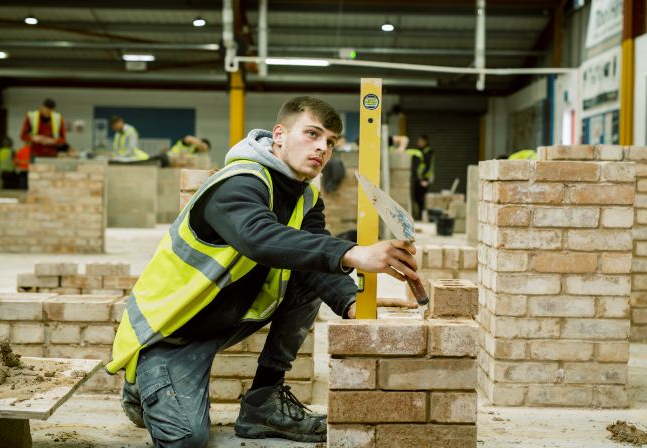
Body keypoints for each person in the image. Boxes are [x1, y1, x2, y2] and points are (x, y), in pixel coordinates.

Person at [107, 96, 420, 446]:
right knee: (186, 440)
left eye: (330, 142)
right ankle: (142, 388)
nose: (322, 148)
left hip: (227, 317)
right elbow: (258, 237)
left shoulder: (305, 197)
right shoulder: (239, 182)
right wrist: (354, 252)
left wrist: (353, 304)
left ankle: (264, 402)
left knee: (313, 262)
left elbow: (314, 255)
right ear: (279, 135)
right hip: (172, 331)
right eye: (312, 134)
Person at [406, 134, 434, 221]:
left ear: (425, 142)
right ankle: (418, 215)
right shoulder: (418, 151)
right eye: (418, 141)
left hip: (424, 178)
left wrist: (424, 179)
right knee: (417, 196)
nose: (419, 143)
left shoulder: (428, 151)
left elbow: (428, 166)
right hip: (418, 178)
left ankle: (422, 216)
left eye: (420, 141)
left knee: (421, 197)